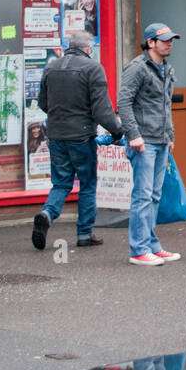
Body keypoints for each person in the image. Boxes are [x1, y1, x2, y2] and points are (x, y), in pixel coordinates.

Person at [31, 29, 125, 250]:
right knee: (87, 183)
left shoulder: (51, 67)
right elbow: (102, 110)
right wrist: (117, 131)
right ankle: (84, 234)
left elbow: (43, 103)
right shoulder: (93, 68)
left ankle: (47, 213)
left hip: (55, 135)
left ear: (69, 46)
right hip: (82, 136)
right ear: (88, 48)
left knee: (61, 182)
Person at [118, 22, 184, 266]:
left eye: (171, 39)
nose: (169, 43)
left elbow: (166, 106)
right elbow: (123, 103)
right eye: (164, 39)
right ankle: (139, 250)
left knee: (154, 195)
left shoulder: (166, 69)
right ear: (150, 43)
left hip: (161, 140)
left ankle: (152, 245)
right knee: (143, 196)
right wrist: (133, 135)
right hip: (143, 142)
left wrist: (171, 137)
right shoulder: (137, 68)